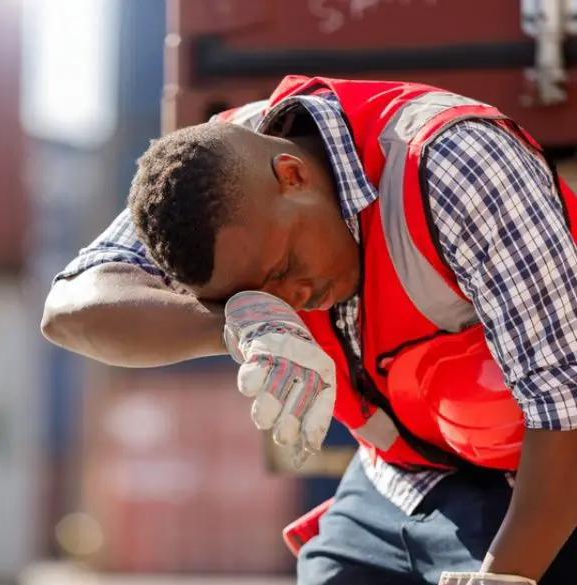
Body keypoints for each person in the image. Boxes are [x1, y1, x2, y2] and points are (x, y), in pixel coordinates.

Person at [40, 75, 577, 585]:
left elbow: (567, 406)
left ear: (292, 175)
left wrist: (504, 577)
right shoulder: (202, 180)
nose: (293, 299)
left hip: (549, 474)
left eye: (284, 268)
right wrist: (239, 320)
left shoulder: (455, 164)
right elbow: (68, 310)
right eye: (262, 290)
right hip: (408, 473)